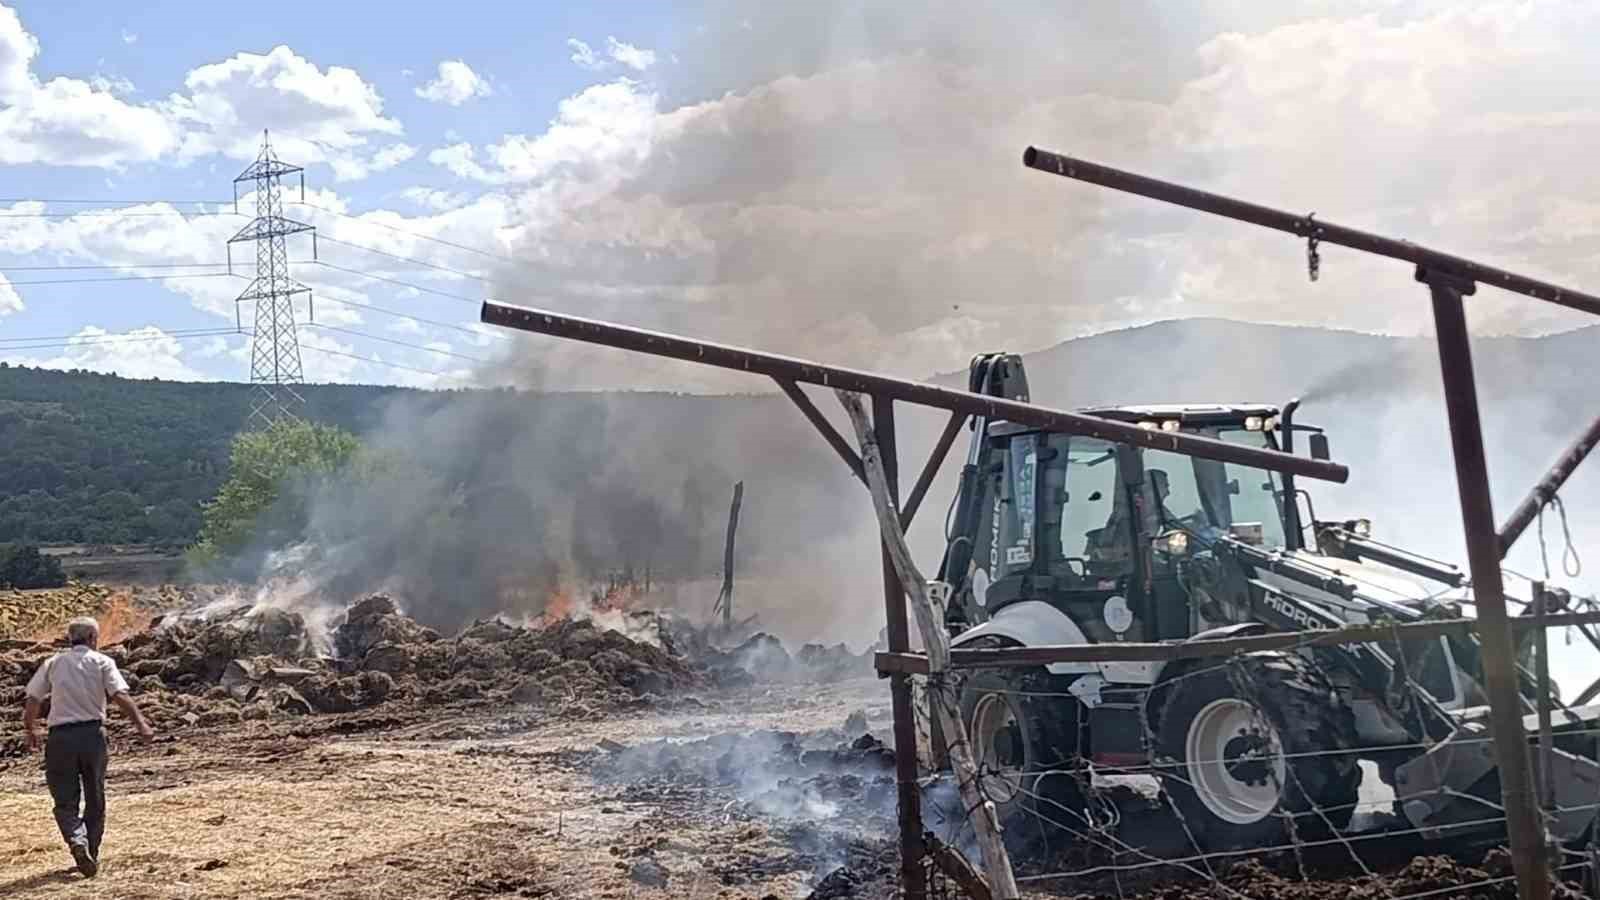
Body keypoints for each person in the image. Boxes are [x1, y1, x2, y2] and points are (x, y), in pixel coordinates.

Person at [22, 616, 154, 878]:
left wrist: (30, 729)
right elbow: (119, 695)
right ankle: (90, 850)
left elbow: (33, 698)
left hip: (60, 738)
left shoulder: (53, 663)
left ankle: (77, 841)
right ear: (93, 638)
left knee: (64, 799)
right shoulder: (102, 662)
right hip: (93, 735)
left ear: (70, 639)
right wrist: (141, 724)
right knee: (95, 796)